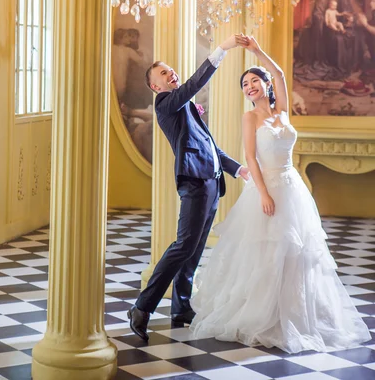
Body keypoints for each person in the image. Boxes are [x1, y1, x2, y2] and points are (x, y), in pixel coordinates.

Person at [191, 34, 371, 353]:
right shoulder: (250, 117)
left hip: (292, 188)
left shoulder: (282, 110)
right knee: (265, 253)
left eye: (254, 80)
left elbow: (281, 75)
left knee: (296, 254)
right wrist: (262, 193)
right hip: (267, 188)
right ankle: (263, 313)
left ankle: (293, 312)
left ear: (265, 85)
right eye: (245, 84)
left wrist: (258, 51)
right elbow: (249, 157)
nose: (250, 87)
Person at [127, 34, 249, 342]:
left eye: (170, 70)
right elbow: (194, 84)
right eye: (164, 74)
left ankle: (181, 307)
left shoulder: (186, 107)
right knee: (183, 245)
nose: (171, 74)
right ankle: (141, 308)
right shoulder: (166, 104)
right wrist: (222, 49)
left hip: (212, 182)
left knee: (193, 250)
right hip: (194, 183)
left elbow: (210, 146)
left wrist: (237, 169)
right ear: (156, 87)